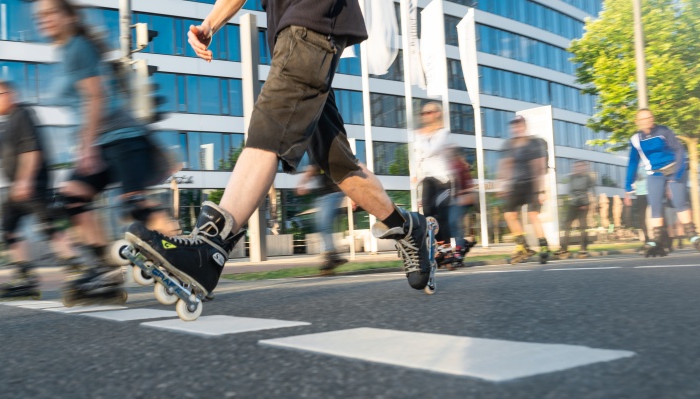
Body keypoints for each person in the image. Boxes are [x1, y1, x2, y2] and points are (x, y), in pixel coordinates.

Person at [124, 0, 433, 299]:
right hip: (296, 35)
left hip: (310, 21)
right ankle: (407, 227)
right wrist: (209, 25)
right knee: (337, 161)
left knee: (268, 129)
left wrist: (211, 24)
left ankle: (208, 250)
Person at [33, 0, 173, 277]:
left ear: (69, 17)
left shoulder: (76, 47)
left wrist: (85, 148)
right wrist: (87, 145)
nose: (44, 19)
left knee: (135, 207)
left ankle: (182, 255)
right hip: (102, 143)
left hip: (124, 139)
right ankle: (103, 270)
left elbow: (96, 96)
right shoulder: (66, 52)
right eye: (40, 15)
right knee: (69, 199)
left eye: (51, 13)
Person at [0, 80, 79, 298]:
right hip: (15, 187)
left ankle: (76, 271)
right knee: (7, 230)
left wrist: (25, 181)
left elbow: (31, 149)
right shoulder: (6, 123)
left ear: (8, 95)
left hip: (33, 183)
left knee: (49, 227)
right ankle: (25, 278)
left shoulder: (21, 114)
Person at [622, 108, 700, 256]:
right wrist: (628, 185)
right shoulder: (635, 140)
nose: (646, 121)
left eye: (649, 117)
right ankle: (656, 240)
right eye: (643, 119)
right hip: (655, 174)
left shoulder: (664, 131)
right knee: (655, 205)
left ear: (652, 119)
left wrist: (677, 174)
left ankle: (692, 234)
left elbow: (679, 150)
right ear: (637, 122)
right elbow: (633, 162)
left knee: (679, 203)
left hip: (674, 169)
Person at [499, 115, 550, 263]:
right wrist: (502, 184)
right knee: (509, 215)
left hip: (531, 183)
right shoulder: (509, 144)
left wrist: (541, 190)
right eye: (514, 125)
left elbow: (539, 167)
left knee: (533, 215)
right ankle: (523, 246)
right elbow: (505, 165)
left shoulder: (532, 144)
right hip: (515, 184)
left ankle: (543, 246)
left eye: (519, 125)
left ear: (524, 126)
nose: (516, 128)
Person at [412, 102, 453, 258]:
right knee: (428, 215)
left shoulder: (443, 133)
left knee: (441, 214)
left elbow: (430, 151)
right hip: (427, 180)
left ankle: (446, 249)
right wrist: (415, 175)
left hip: (442, 180)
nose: (425, 116)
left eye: (429, 112)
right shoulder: (420, 134)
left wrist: (421, 136)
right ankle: (440, 247)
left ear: (437, 114)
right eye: (423, 113)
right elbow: (417, 157)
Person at [297, 165, 348, 273]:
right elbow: (313, 169)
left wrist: (302, 183)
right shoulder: (313, 152)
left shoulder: (321, 149)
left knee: (324, 224)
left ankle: (331, 256)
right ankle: (333, 256)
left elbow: (312, 168)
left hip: (334, 192)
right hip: (322, 195)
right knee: (320, 225)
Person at [556, 160, 594, 258]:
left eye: (580, 166)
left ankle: (583, 249)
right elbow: (569, 191)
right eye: (576, 167)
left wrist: (587, 202)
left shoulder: (588, 178)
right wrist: (574, 200)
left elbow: (592, 191)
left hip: (584, 204)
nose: (577, 168)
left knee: (582, 226)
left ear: (584, 167)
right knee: (567, 225)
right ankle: (564, 248)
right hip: (573, 203)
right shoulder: (571, 177)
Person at [448, 147, 476, 264]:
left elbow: (469, 186)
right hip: (456, 200)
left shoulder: (460, 166)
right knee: (453, 226)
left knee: (453, 224)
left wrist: (461, 193)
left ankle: (460, 250)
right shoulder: (459, 166)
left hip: (459, 200)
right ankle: (463, 247)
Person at [630, 170, 650, 252]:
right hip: (640, 194)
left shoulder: (649, 158)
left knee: (655, 217)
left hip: (651, 192)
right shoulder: (635, 162)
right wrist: (627, 194)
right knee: (642, 219)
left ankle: (660, 240)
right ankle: (647, 241)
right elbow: (630, 176)